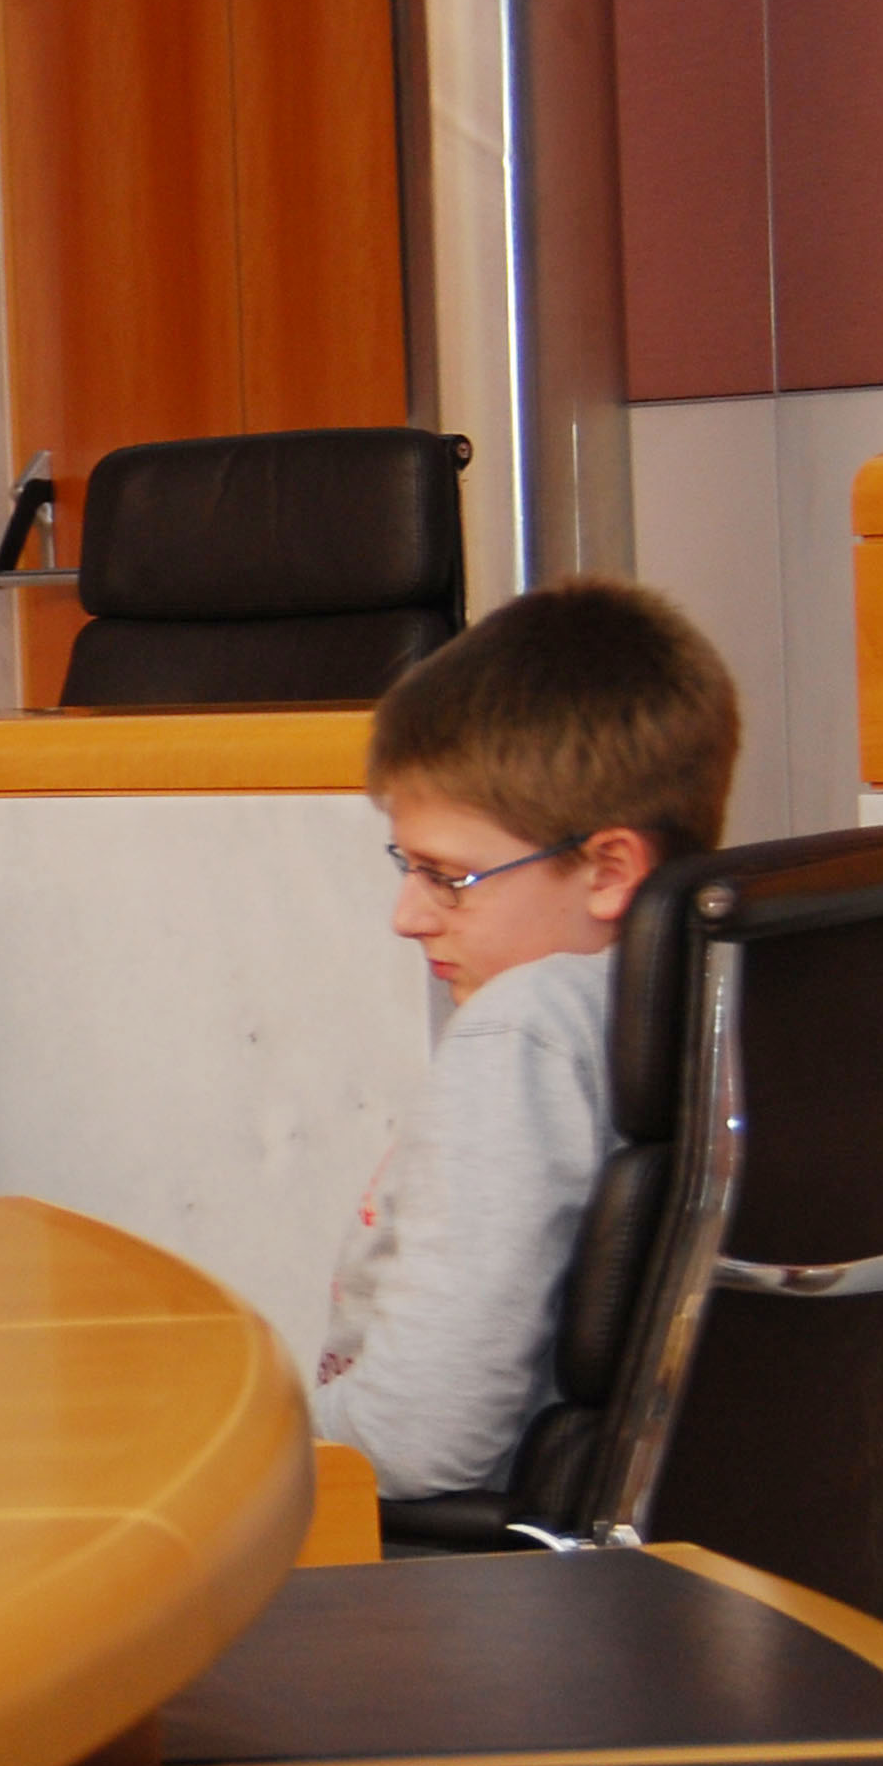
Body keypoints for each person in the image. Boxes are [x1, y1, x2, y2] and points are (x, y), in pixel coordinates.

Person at [314, 577, 737, 1502]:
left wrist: (231, 1437)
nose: (407, 916)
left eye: (448, 877)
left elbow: (417, 1442)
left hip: (462, 1561)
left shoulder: (525, 1034)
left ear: (609, 868)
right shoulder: (741, 990)